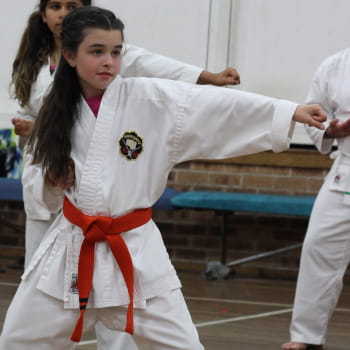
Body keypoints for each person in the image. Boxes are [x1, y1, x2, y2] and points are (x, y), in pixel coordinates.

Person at [0, 6, 327, 349]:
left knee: (183, 345)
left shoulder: (151, 99)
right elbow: (40, 190)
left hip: (136, 251)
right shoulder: (54, 110)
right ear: (69, 56)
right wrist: (53, 180)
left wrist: (288, 112)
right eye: (96, 52)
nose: (109, 61)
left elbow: (216, 107)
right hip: (70, 250)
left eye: (116, 52)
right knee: (18, 340)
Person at [10, 1, 240, 349]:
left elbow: (154, 66)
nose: (62, 12)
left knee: (114, 295)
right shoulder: (36, 62)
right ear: (43, 15)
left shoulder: (106, 56)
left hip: (107, 193)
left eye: (71, 5)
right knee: (46, 291)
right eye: (55, 6)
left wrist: (205, 76)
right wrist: (32, 131)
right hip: (55, 182)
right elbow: (29, 112)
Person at [282, 48, 350, 350]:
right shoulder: (335, 66)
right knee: (317, 248)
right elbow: (314, 115)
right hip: (346, 169)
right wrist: (333, 128)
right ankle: (306, 338)